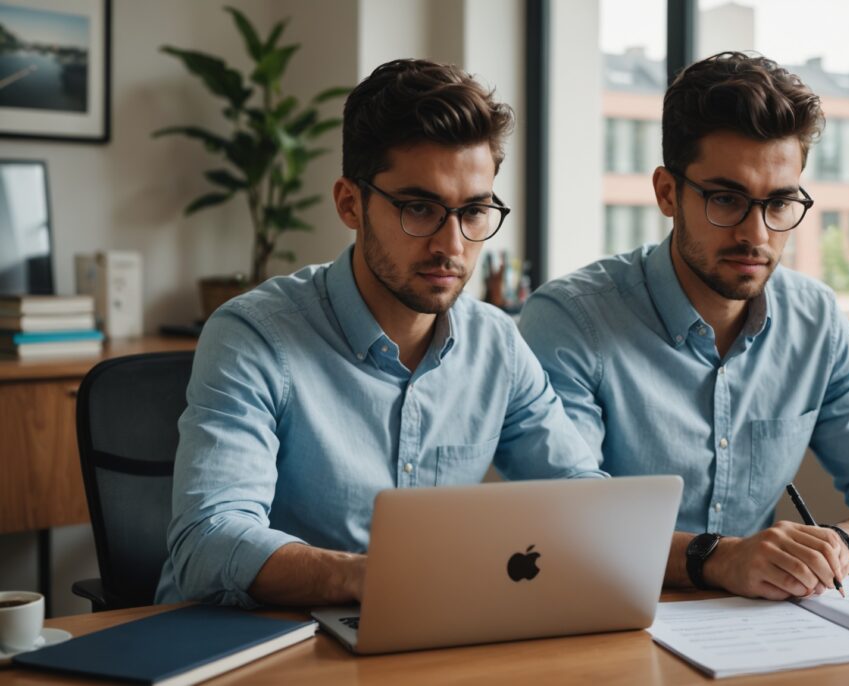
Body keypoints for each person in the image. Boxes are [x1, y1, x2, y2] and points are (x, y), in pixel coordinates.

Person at [157, 59, 604, 608]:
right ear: (350, 203)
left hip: (420, 631)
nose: (452, 245)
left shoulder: (497, 345)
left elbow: (579, 493)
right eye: (419, 208)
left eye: (474, 210)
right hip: (251, 642)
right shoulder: (254, 336)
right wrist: (373, 578)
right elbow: (207, 539)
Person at [519, 52, 849, 601]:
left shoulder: (814, 320)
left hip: (756, 626)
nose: (756, 234)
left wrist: (837, 545)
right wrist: (719, 558)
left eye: (781, 203)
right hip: (607, 617)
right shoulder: (572, 320)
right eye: (726, 199)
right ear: (668, 193)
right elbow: (567, 520)